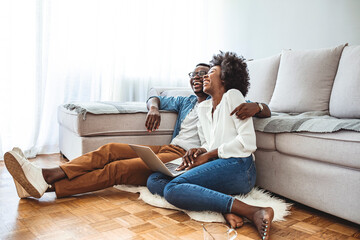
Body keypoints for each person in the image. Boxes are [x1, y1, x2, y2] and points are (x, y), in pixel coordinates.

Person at [3, 62, 271, 200]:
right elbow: (153, 94)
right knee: (109, 150)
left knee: (118, 170)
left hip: (186, 157)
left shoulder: (225, 100)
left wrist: (258, 105)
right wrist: (153, 108)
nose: (198, 77)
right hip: (170, 148)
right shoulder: (186, 102)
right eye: (194, 73)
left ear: (216, 79)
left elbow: (257, 110)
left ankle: (47, 183)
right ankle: (44, 178)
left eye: (205, 73)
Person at [146, 52, 274, 240]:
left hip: (240, 167)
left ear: (225, 78)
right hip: (217, 165)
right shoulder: (204, 108)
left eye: (211, 72)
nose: (204, 76)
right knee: (155, 179)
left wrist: (209, 155)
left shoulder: (233, 96)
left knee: (172, 189)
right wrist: (200, 150)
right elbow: (208, 141)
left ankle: (255, 211)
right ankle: (223, 207)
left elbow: (247, 142)